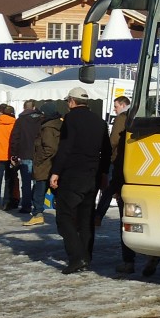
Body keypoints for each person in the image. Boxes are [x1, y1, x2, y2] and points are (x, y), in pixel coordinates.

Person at [49, 86, 111, 274]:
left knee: (64, 217)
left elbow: (66, 147)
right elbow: (106, 151)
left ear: (72, 101)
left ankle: (77, 257)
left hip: (72, 175)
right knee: (86, 219)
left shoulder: (71, 118)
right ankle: (86, 256)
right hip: (91, 175)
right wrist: (102, 174)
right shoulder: (99, 121)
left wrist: (56, 171)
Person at [96, 95, 130, 226]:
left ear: (122, 105)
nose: (115, 110)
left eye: (116, 107)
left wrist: (107, 155)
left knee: (109, 188)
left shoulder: (122, 118)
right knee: (115, 189)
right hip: (127, 159)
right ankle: (99, 215)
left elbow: (114, 139)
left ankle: (98, 216)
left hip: (116, 159)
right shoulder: (134, 116)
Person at [27, 102, 62, 226]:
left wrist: (39, 159)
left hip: (45, 165)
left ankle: (37, 214)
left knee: (39, 191)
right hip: (53, 164)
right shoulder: (57, 124)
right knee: (55, 191)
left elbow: (50, 148)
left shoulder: (47, 128)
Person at [9, 99, 43, 216]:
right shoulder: (42, 119)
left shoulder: (20, 120)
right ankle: (37, 204)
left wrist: (13, 154)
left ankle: (26, 206)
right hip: (39, 154)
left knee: (26, 182)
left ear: (24, 108)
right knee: (38, 181)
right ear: (34, 107)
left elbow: (15, 138)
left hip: (25, 154)